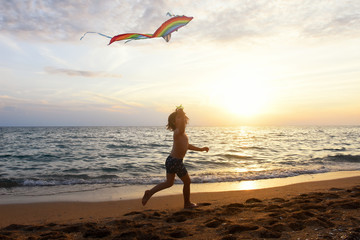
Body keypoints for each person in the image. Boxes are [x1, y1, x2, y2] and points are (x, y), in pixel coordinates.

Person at [142, 106, 209, 208]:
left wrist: (201, 149)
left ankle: (150, 192)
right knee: (187, 181)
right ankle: (187, 203)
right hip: (176, 161)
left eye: (182, 118)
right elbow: (181, 127)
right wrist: (181, 113)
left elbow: (188, 146)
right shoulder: (178, 132)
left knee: (169, 183)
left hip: (170, 160)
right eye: (178, 118)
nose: (182, 119)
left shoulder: (182, 134)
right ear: (174, 122)